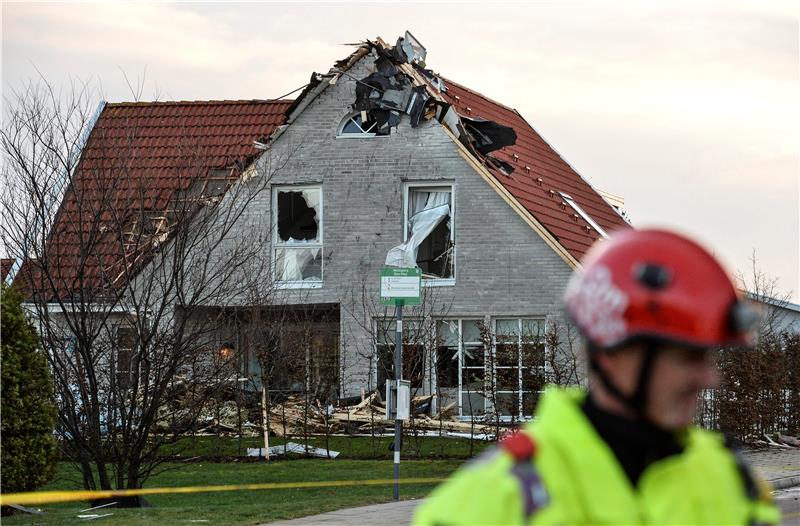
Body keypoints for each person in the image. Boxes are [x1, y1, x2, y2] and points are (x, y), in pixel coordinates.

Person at [413, 228, 780, 525]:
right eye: (686, 357)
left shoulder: (731, 480)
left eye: (708, 356)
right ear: (613, 352)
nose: (708, 379)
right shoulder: (492, 502)